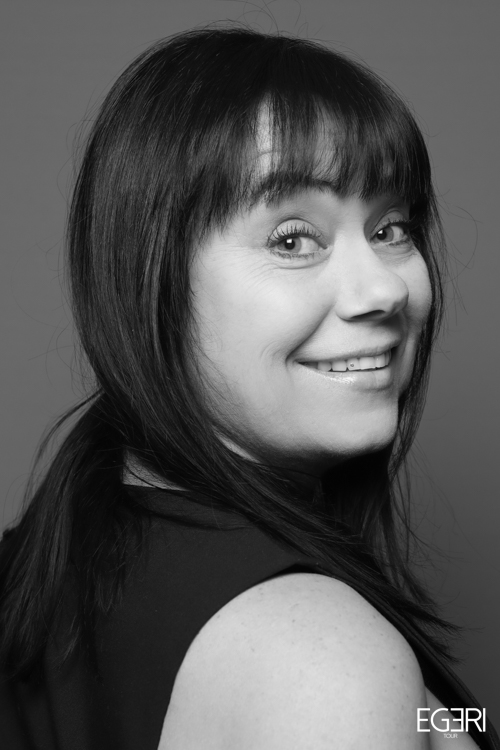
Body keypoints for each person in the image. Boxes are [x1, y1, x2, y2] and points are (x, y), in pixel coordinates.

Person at [0, 26, 497, 750]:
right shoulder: (319, 665)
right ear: (150, 283)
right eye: (293, 239)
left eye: (391, 228)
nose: (385, 289)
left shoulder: (63, 547)